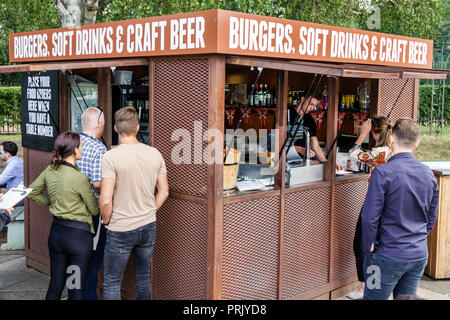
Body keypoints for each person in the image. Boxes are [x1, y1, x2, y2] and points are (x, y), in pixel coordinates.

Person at [361, 118, 439, 300]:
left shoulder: (382, 172)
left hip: (385, 256)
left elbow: (369, 217)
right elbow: (431, 216)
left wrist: (368, 247)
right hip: (417, 255)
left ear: (392, 140)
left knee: (372, 297)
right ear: (416, 143)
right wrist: (417, 237)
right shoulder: (428, 174)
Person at [100, 107, 169, 300]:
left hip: (120, 227)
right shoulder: (155, 153)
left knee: (112, 282)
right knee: (143, 277)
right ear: (138, 128)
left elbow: (105, 201)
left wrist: (106, 221)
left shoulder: (111, 156)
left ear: (115, 128)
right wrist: (149, 210)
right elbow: (164, 191)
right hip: (148, 225)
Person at [28, 132, 99, 300]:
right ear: (75, 149)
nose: (82, 148)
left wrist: (52, 202)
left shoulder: (50, 170)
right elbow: (94, 209)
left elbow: (31, 192)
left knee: (56, 286)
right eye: (81, 146)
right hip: (78, 239)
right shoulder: (80, 178)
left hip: (57, 234)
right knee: (75, 288)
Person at [346, 116, 392, 299]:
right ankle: (370, 288)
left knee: (362, 246)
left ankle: (367, 289)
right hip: (387, 205)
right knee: (374, 247)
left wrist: (362, 133)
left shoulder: (379, 154)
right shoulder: (390, 150)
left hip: (375, 205)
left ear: (374, 132)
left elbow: (352, 153)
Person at [76, 107, 108, 300]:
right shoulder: (98, 148)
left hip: (71, 213)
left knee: (76, 262)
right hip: (91, 212)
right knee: (92, 261)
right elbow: (97, 184)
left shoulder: (72, 142)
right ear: (100, 125)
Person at [291, 93, 343, 170]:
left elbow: (315, 145)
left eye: (314, 106)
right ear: (302, 99)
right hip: (284, 163)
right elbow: (277, 143)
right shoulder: (286, 115)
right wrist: (300, 150)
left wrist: (327, 162)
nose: (312, 108)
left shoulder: (309, 120)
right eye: (311, 104)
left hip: (301, 163)